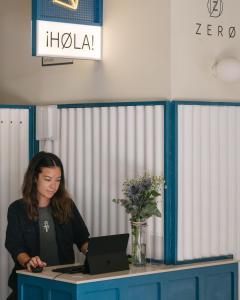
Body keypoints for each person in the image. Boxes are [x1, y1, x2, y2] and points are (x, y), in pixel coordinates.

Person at [5, 151, 90, 300]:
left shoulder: (67, 206)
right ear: (35, 178)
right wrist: (29, 261)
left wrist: (91, 250)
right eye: (48, 179)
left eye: (58, 180)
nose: (54, 186)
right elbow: (15, 246)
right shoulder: (17, 209)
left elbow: (82, 239)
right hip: (31, 282)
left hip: (64, 282)